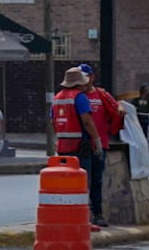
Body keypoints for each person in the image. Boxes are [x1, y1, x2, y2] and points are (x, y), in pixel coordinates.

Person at [51, 68, 107, 229]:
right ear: (78, 84)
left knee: (66, 185)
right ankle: (82, 219)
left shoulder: (57, 98)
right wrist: (96, 140)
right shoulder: (79, 97)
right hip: (80, 148)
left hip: (62, 148)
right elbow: (87, 120)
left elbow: (53, 122)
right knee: (83, 184)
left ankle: (66, 217)